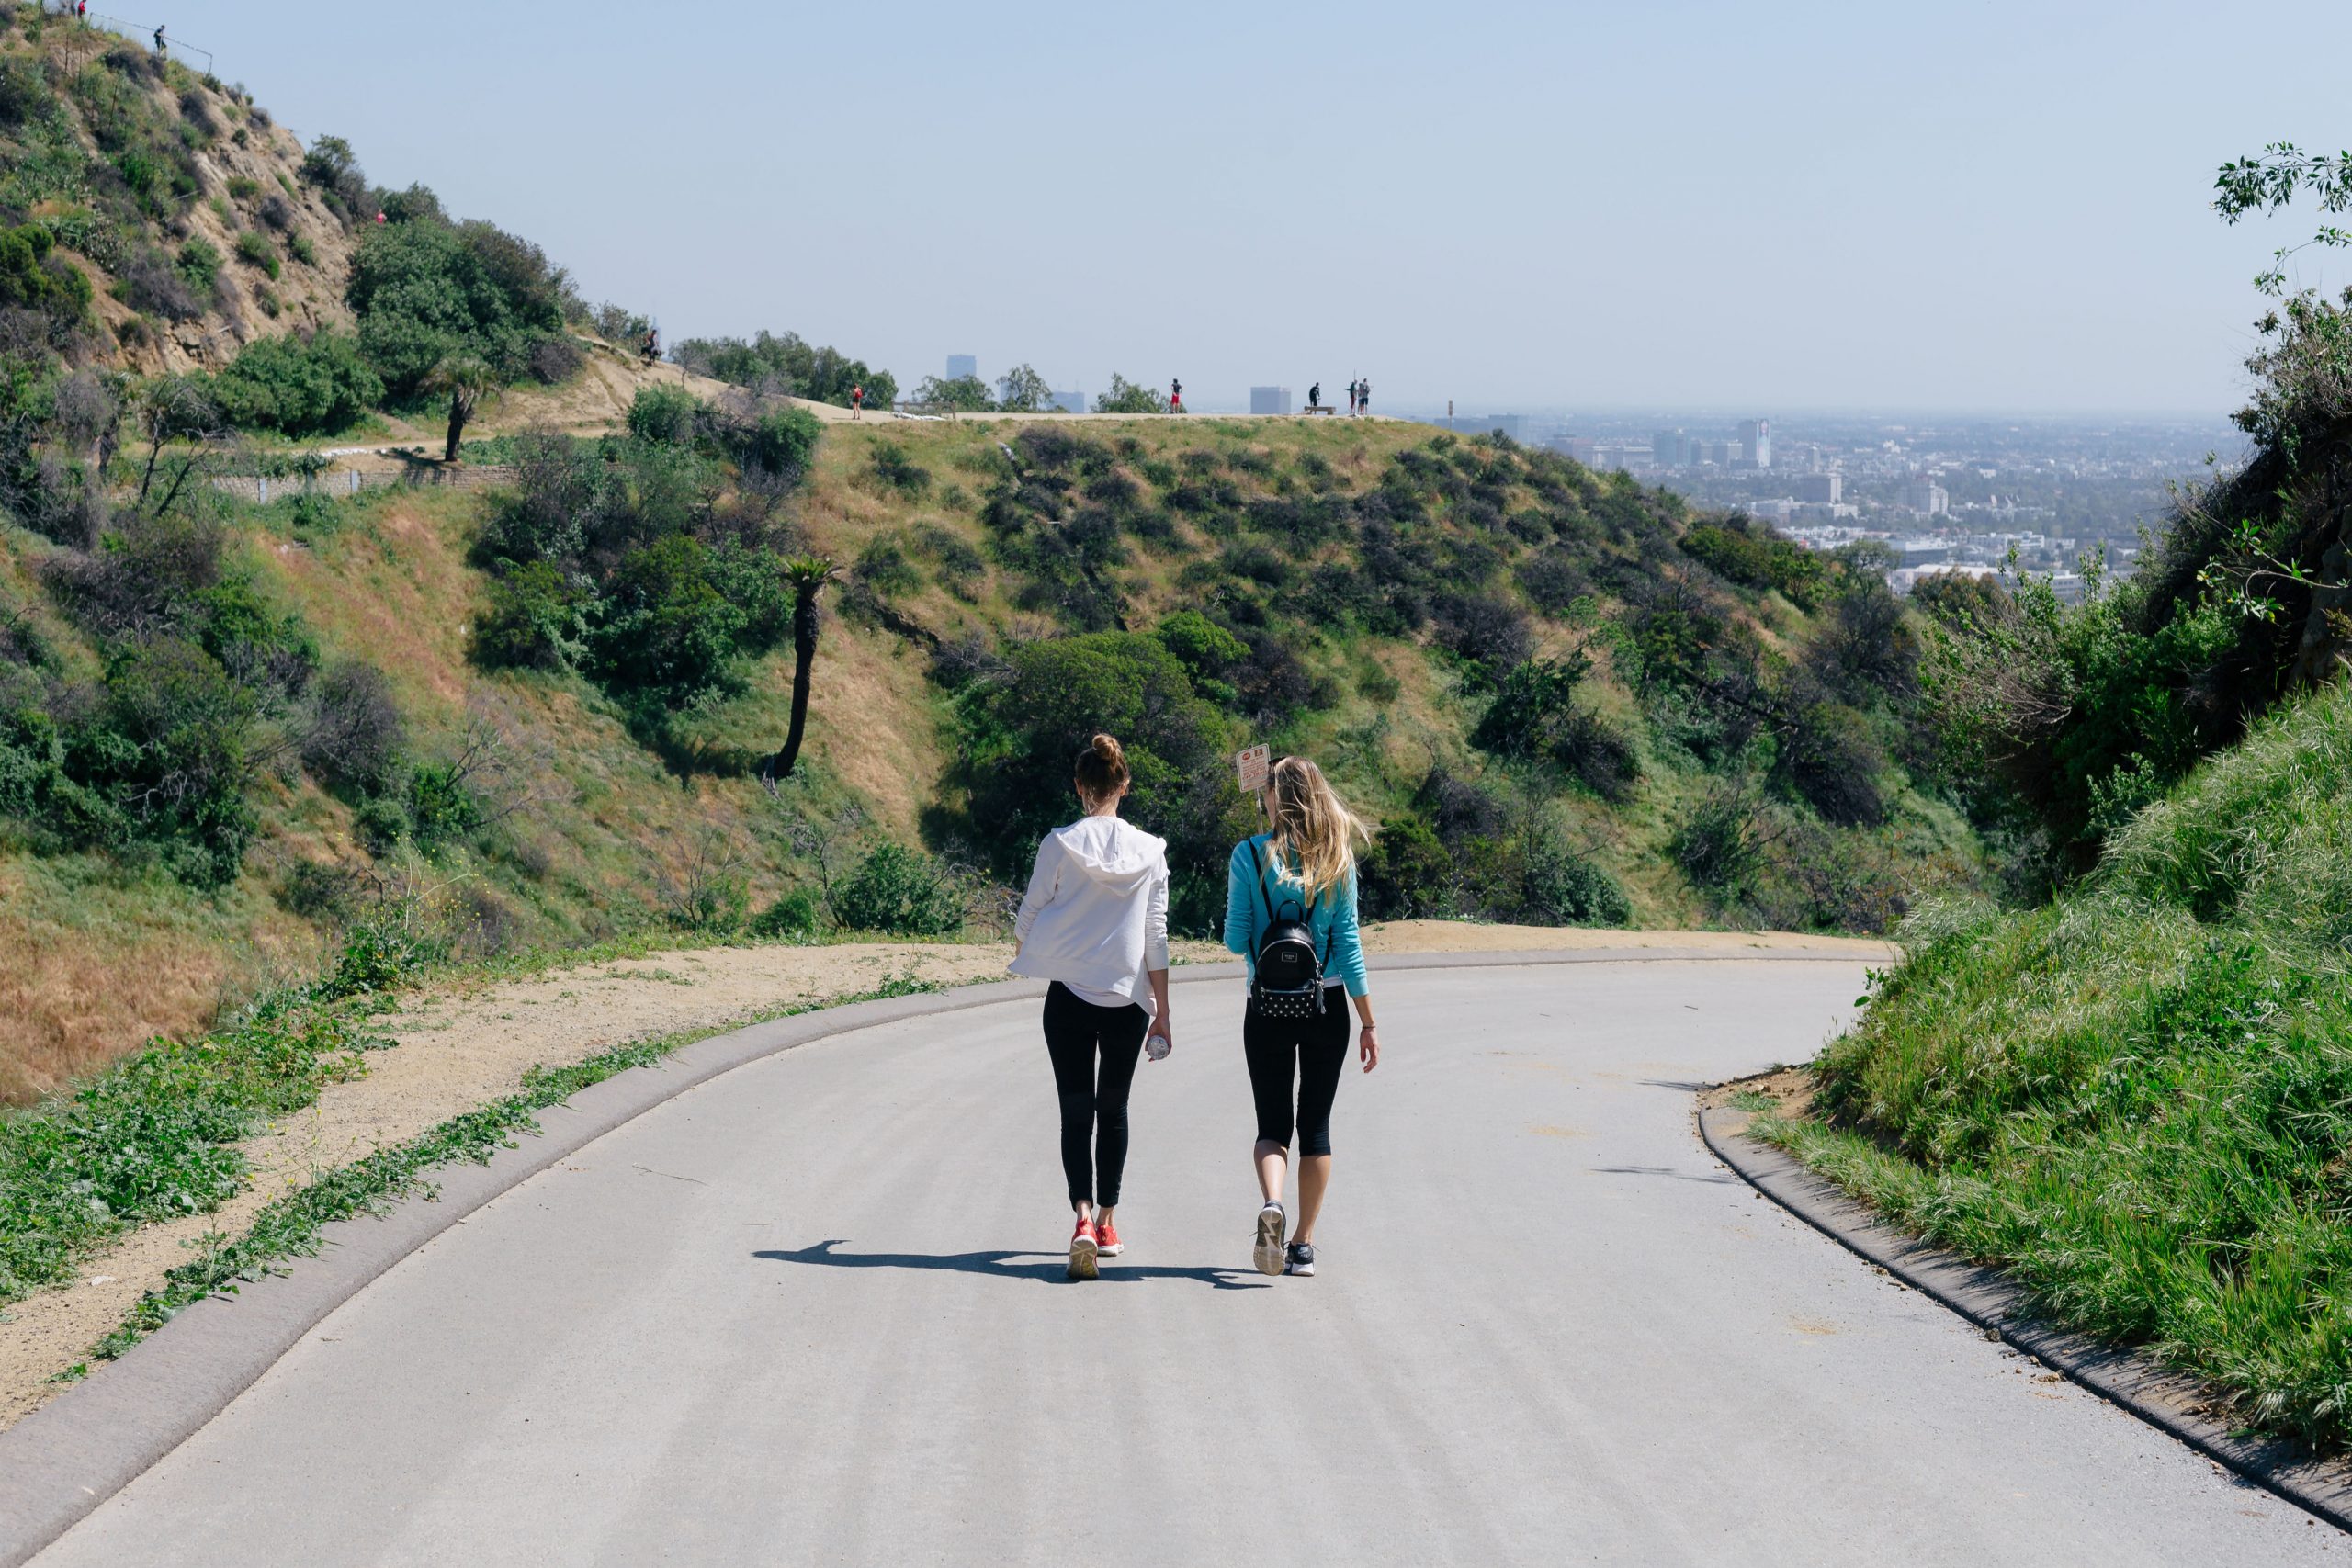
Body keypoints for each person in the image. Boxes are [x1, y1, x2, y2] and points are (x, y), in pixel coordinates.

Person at [1010, 734, 1174, 1280]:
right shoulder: (1151, 851)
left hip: (1069, 1000)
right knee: (1115, 1109)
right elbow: (1156, 935)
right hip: (1127, 1001)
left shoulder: (1058, 844)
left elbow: (1028, 915)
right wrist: (1163, 1011)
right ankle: (1107, 1222)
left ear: (1081, 787)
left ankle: (1080, 1219)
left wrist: (1036, 951)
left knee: (1075, 1110)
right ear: (1124, 785)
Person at [1224, 756, 1378, 1278]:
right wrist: (1368, 1021)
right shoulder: (1338, 858)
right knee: (1315, 1127)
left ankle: (1272, 1202)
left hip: (1264, 1003)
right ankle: (1304, 1245)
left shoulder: (1247, 855)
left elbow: (1232, 936)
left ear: (1273, 796)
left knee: (1272, 1125)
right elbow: (1351, 948)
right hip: (1325, 1003)